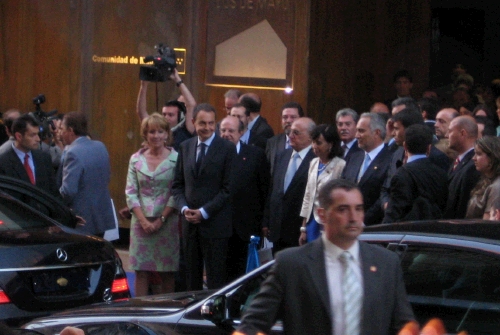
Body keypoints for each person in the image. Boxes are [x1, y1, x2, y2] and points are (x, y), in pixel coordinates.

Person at [237, 179, 415, 335]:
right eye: (343, 209)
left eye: (358, 209)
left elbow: (403, 325)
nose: (354, 218)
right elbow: (252, 325)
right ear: (322, 214)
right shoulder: (291, 264)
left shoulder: (386, 263)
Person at [172, 103, 235, 290]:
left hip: (216, 226)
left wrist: (204, 212)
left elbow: (228, 189)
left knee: (216, 279)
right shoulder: (185, 147)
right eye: (202, 123)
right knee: (191, 279)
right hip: (189, 226)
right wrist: (184, 209)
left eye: (211, 123)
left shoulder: (227, 148)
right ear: (193, 122)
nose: (207, 128)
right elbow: (177, 185)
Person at [125, 113, 179, 296]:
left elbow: (176, 192)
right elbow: (131, 192)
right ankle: (140, 313)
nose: (156, 136)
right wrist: (143, 221)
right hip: (140, 223)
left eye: (160, 131)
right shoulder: (136, 159)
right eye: (151, 132)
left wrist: (161, 219)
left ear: (167, 134)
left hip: (168, 222)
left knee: (167, 272)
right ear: (145, 135)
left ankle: (167, 314)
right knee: (141, 271)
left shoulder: (176, 159)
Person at [220, 116, 270, 281]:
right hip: (218, 227)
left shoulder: (256, 155)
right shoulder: (212, 155)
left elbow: (264, 189)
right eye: (223, 130)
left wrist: (264, 222)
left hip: (246, 228)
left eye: (231, 131)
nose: (226, 134)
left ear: (241, 132)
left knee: (244, 277)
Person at [262, 117, 316, 253]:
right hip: (277, 229)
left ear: (311, 137)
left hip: (298, 231)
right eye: (290, 132)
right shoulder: (283, 155)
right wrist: (267, 220)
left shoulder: (315, 159)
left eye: (296, 133)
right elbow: (273, 189)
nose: (290, 136)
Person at [58, 111, 115, 236]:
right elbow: (107, 176)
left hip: (82, 219)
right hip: (101, 215)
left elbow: (68, 191)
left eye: (62, 129)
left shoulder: (73, 153)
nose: (60, 133)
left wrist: (55, 203)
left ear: (71, 130)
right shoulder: (100, 146)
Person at [383, 124, 448, 223]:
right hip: (436, 232)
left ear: (405, 146)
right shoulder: (441, 173)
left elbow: (394, 213)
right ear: (429, 148)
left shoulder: (402, 174)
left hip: (409, 232)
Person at [341, 112, 392, 225]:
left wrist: (363, 219)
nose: (356, 135)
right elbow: (343, 185)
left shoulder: (390, 159)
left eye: (361, 131)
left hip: (373, 227)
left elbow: (383, 195)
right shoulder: (354, 157)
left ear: (377, 133)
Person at [299, 124, 345, 244]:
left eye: (318, 143)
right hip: (311, 221)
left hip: (327, 221)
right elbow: (308, 195)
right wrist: (303, 227)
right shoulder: (313, 163)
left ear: (330, 144)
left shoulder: (340, 165)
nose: (314, 146)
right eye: (313, 142)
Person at [0, 114, 59, 197]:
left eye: (38, 134)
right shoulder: (3, 162)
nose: (38, 139)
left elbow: (54, 192)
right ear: (19, 136)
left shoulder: (44, 158)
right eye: (32, 135)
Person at [136, 69, 196, 150]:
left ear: (181, 116)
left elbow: (191, 104)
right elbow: (141, 112)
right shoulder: (156, 128)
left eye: (170, 115)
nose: (166, 117)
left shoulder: (187, 129)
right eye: (164, 114)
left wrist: (177, 80)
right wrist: (144, 86)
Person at [445, 115, 481, 219]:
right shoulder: (458, 161)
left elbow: (463, 205)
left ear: (462, 133)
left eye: (450, 131)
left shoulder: (473, 165)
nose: (446, 135)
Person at [465, 136, 500, 219]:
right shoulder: (486, 179)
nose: (474, 158)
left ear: (492, 157)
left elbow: (488, 224)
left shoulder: (496, 188)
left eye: (479, 154)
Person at [265, 102, 304, 174]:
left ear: (301, 119)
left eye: (293, 117)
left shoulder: (308, 142)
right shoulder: (273, 142)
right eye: (285, 117)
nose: (288, 121)